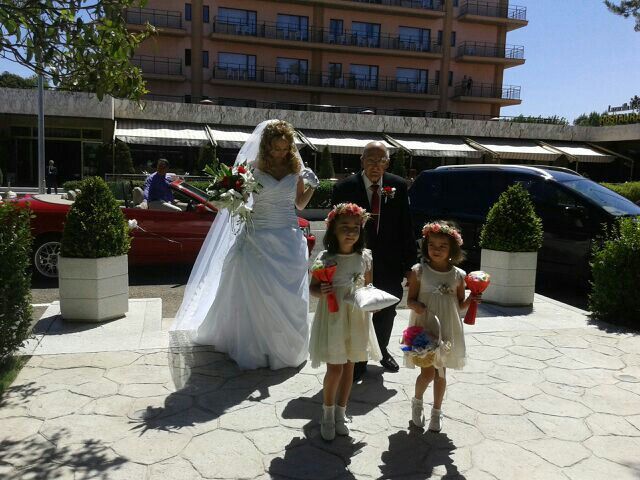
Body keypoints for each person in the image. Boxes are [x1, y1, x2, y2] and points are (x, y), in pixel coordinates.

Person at [171, 120, 319, 370]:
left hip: (288, 237)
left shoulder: (296, 169)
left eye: (285, 148)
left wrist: (312, 186)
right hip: (258, 236)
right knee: (259, 295)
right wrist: (229, 196)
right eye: (276, 148)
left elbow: (300, 205)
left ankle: (286, 346)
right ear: (266, 146)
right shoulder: (252, 167)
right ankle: (258, 347)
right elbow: (235, 199)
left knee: (289, 297)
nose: (281, 153)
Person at [331, 142, 416, 382]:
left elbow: (405, 226)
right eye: (370, 159)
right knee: (357, 310)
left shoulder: (398, 185)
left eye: (380, 160)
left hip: (389, 261)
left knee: (386, 309)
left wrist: (409, 265)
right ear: (361, 161)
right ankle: (358, 359)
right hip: (355, 261)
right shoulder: (344, 188)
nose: (375, 165)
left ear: (387, 163)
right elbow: (334, 227)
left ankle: (381, 351)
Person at [309, 203, 382, 441]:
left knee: (351, 366)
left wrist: (374, 303)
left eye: (355, 227)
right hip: (334, 317)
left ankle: (342, 412)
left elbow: (368, 286)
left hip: (356, 317)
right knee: (335, 367)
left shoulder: (365, 257)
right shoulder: (325, 258)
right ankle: (327, 414)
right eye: (344, 227)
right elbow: (313, 289)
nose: (351, 232)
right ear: (332, 230)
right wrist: (322, 289)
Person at [406, 221, 479, 432]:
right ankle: (417, 401)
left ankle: (437, 412)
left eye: (442, 246)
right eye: (432, 245)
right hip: (425, 326)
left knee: (441, 373)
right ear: (426, 246)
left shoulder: (458, 275)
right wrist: (417, 306)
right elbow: (409, 300)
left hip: (447, 326)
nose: (436, 250)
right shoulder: (419, 271)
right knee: (427, 372)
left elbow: (460, 305)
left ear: (452, 250)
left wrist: (473, 298)